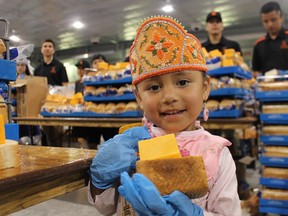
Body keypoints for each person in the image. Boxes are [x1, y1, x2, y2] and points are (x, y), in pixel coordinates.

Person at [88, 16, 241, 215]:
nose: (169, 96)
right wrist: (99, 182)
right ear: (139, 97)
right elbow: (106, 207)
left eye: (183, 82)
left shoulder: (216, 153)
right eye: (153, 87)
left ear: (204, 88)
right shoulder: (130, 147)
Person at [34, 39, 68, 147]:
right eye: (45, 46)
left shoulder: (59, 66)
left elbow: (65, 86)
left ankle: (61, 159)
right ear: (41, 50)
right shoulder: (38, 69)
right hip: (43, 106)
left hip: (57, 107)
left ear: (53, 50)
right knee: (45, 135)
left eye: (50, 46)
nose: (47, 48)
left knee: (57, 136)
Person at [252, 1, 288, 76]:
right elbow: (256, 71)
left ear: (281, 18)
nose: (270, 24)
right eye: (266, 21)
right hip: (267, 86)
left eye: (273, 20)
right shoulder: (259, 44)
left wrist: (281, 74)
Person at [72, 59, 100, 148]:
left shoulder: (92, 81)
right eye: (79, 68)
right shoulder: (76, 83)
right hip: (79, 115)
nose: (80, 71)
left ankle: (92, 160)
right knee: (80, 139)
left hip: (91, 114)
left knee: (93, 142)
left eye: (82, 69)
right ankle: (84, 159)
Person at [90, 54, 118, 141]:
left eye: (100, 62)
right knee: (90, 140)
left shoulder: (114, 77)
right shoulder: (88, 80)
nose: (98, 64)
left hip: (111, 116)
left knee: (112, 140)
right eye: (95, 63)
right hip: (92, 116)